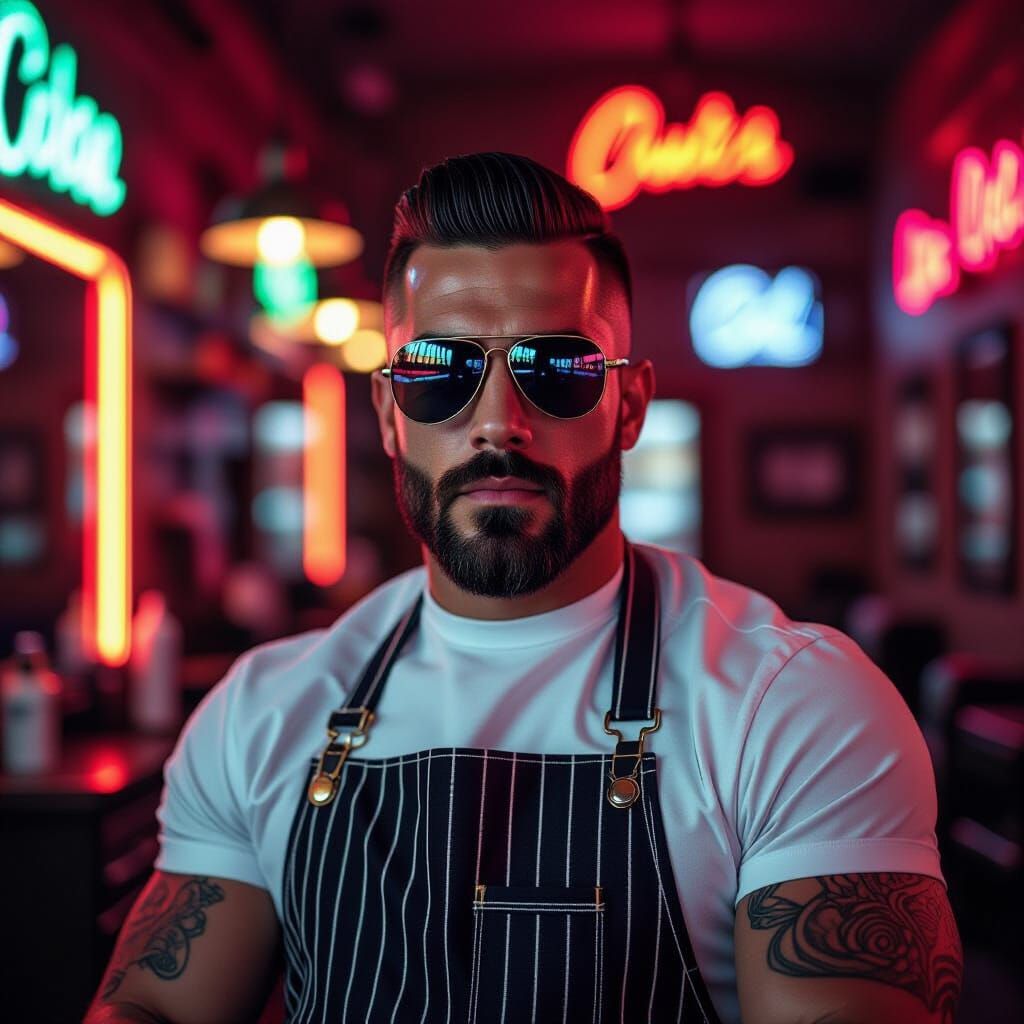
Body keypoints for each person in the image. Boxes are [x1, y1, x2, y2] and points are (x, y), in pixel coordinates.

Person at [86, 153, 961, 1024]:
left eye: (558, 367)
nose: (499, 420)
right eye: (438, 370)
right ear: (389, 414)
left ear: (628, 406)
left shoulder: (794, 706)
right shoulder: (264, 713)